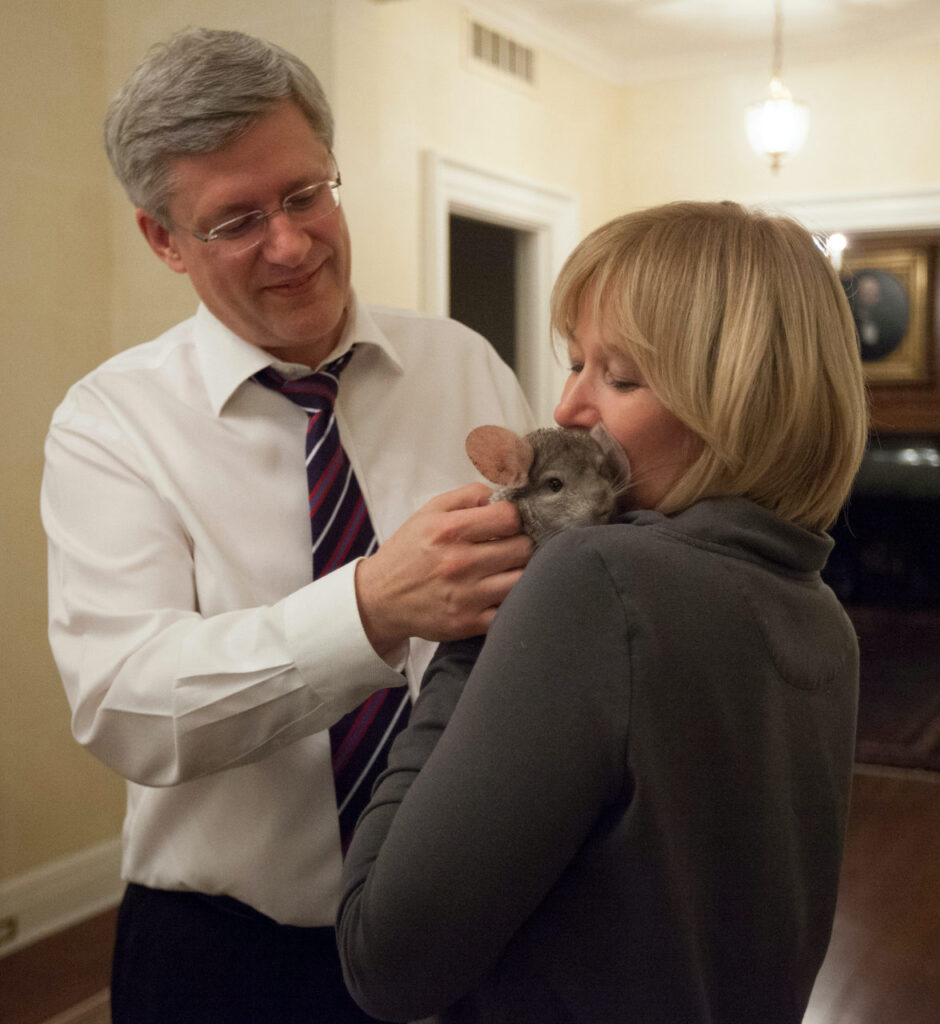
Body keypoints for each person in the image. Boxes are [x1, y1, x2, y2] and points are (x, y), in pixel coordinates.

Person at [40, 27, 535, 1024]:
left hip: (475, 925)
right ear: (162, 240)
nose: (292, 244)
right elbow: (125, 703)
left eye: (306, 194)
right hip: (227, 959)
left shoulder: (464, 365)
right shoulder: (110, 424)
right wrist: (368, 609)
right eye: (236, 220)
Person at [337, 201, 869, 1023]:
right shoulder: (820, 612)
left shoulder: (598, 580)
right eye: (576, 363)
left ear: (739, 404)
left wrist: (470, 629)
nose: (567, 407)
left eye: (619, 378)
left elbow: (385, 959)